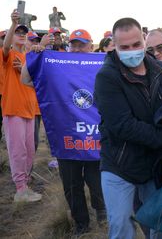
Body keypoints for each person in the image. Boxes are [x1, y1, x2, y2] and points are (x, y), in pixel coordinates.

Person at [94, 17, 162, 239]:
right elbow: (123, 126)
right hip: (120, 164)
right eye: (124, 47)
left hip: (154, 164)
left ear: (144, 39)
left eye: (136, 45)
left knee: (160, 227)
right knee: (120, 226)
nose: (131, 51)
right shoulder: (106, 77)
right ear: (114, 45)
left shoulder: (160, 70)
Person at [22, 29, 106, 235]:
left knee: (97, 182)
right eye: (74, 44)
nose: (77, 49)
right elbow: (26, 80)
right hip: (66, 138)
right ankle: (81, 224)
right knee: (71, 185)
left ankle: (103, 215)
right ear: (68, 46)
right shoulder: (56, 68)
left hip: (94, 139)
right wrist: (35, 55)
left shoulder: (102, 66)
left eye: (82, 44)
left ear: (91, 45)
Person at [2, 10, 41, 203]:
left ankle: (25, 184)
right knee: (17, 150)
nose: (21, 34)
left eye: (23, 32)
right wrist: (12, 24)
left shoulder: (29, 58)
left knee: (29, 150)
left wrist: (24, 72)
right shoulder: (7, 55)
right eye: (19, 32)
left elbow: (36, 82)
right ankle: (20, 189)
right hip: (13, 107)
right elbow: (6, 47)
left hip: (30, 109)